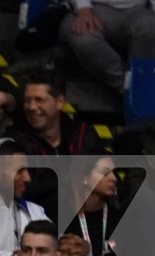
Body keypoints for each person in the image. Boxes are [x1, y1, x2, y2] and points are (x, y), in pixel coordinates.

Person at [10, 69, 102, 222]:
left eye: (39, 100)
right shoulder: (14, 140)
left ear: (59, 102)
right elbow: (25, 188)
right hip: (35, 223)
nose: (31, 107)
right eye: (27, 100)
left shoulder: (82, 133)